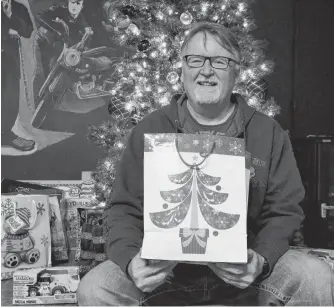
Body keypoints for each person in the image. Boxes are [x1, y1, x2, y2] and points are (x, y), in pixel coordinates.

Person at [77, 22, 334, 306]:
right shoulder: (149, 129)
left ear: (236, 71)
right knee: (96, 288)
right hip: (166, 276)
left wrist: (260, 260)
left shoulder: (268, 132)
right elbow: (123, 209)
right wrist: (130, 262)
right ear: (182, 70)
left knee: (315, 277)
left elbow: (284, 212)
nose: (206, 70)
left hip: (247, 274)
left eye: (220, 61)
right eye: (195, 59)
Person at [33, 0, 91, 106]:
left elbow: (85, 35)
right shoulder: (58, 10)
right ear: (68, 3)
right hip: (43, 42)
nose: (74, 6)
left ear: (82, 6)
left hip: (58, 47)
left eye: (78, 3)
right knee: (39, 71)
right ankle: (35, 102)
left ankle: (48, 101)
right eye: (72, 2)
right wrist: (59, 32)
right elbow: (40, 16)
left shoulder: (81, 20)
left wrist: (86, 39)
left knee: (56, 68)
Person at [1, 0, 35, 151]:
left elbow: (27, 31)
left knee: (10, 97)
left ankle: (4, 134)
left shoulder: (19, 8)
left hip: (9, 61)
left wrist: (10, 15)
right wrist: (7, 32)